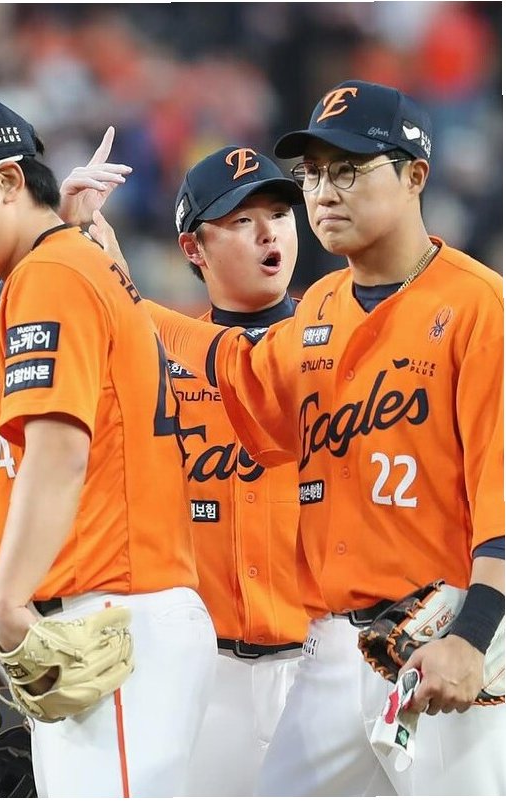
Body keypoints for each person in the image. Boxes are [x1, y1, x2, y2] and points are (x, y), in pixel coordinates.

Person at [142, 79, 504, 795]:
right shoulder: (322, 305)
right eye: (312, 174)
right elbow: (249, 382)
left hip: (443, 632)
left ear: (415, 176)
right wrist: (122, 298)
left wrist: (475, 634)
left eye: (348, 170)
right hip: (333, 645)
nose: (322, 193)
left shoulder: (478, 306)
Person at [0, 94, 216, 797]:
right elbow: (26, 493)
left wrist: (3, 604)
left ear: (6, 180)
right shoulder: (53, 268)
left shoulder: (51, 274)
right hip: (109, 612)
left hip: (111, 613)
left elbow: (60, 456)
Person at [163, 146, 309, 795]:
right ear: (192, 248)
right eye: (241, 220)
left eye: (278, 214)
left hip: (325, 659)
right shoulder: (158, 368)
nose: (268, 232)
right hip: (204, 673)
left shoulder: (337, 345)